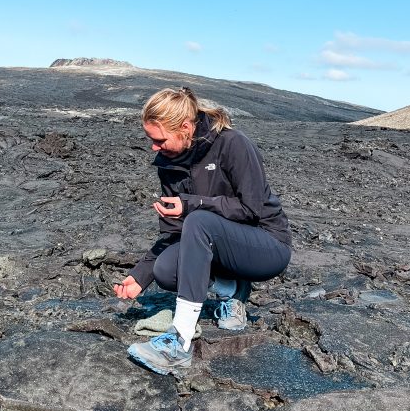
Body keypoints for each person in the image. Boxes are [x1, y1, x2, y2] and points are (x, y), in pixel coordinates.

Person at [114, 87, 291, 375]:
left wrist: (192, 204)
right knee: (165, 269)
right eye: (151, 140)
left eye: (159, 140)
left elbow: (252, 209)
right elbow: (174, 233)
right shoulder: (169, 165)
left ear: (184, 128)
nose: (154, 148)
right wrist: (140, 275)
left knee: (198, 220)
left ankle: (179, 341)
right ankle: (231, 288)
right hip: (220, 245)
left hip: (267, 245)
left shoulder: (233, 144)